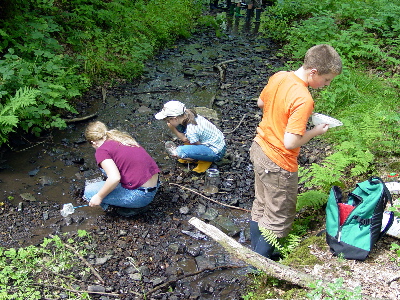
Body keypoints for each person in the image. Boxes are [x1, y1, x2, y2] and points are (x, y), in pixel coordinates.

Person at [249, 44, 342, 259]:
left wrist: (283, 115)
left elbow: (261, 102)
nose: (326, 85)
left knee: (261, 204)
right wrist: (315, 131)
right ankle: (258, 267)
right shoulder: (304, 98)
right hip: (278, 162)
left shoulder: (280, 76)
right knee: (278, 217)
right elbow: (290, 142)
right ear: (314, 72)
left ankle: (254, 252)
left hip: (260, 148)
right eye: (326, 80)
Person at [83, 121, 160, 217]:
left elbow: (115, 178)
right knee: (109, 170)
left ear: (93, 142)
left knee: (89, 192)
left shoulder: (101, 150)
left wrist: (99, 196)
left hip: (141, 195)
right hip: (154, 184)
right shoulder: (120, 138)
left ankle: (124, 208)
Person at [155, 100, 226, 173]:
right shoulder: (189, 114)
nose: (168, 122)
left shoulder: (191, 131)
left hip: (216, 152)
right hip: (218, 143)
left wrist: (187, 155)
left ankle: (204, 161)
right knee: (173, 127)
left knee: (179, 151)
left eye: (168, 120)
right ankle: (196, 156)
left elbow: (198, 146)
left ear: (175, 118)